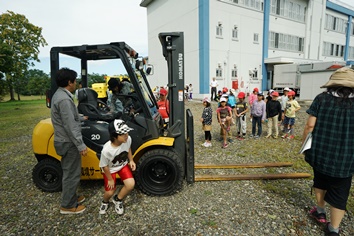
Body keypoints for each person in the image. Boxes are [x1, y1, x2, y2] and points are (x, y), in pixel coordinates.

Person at [302, 67, 354, 236]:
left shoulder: (322, 99)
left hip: (321, 152)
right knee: (340, 193)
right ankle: (333, 229)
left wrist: (304, 145)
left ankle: (320, 211)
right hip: (347, 157)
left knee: (320, 181)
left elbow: (310, 125)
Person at [51, 68, 88, 214]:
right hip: (68, 142)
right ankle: (67, 205)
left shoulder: (60, 95)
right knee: (71, 173)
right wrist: (80, 144)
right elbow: (69, 125)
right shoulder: (65, 99)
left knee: (71, 171)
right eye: (74, 81)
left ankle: (72, 197)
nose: (75, 84)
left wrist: (81, 117)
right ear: (69, 82)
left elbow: (69, 117)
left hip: (64, 140)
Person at [99, 119, 136, 215]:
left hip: (122, 165)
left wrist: (131, 160)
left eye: (127, 132)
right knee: (109, 192)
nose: (126, 135)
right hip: (110, 170)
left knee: (130, 184)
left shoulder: (127, 139)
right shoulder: (106, 150)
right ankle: (105, 201)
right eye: (123, 134)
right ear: (115, 137)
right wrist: (110, 179)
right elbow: (104, 166)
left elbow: (128, 149)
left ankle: (118, 199)